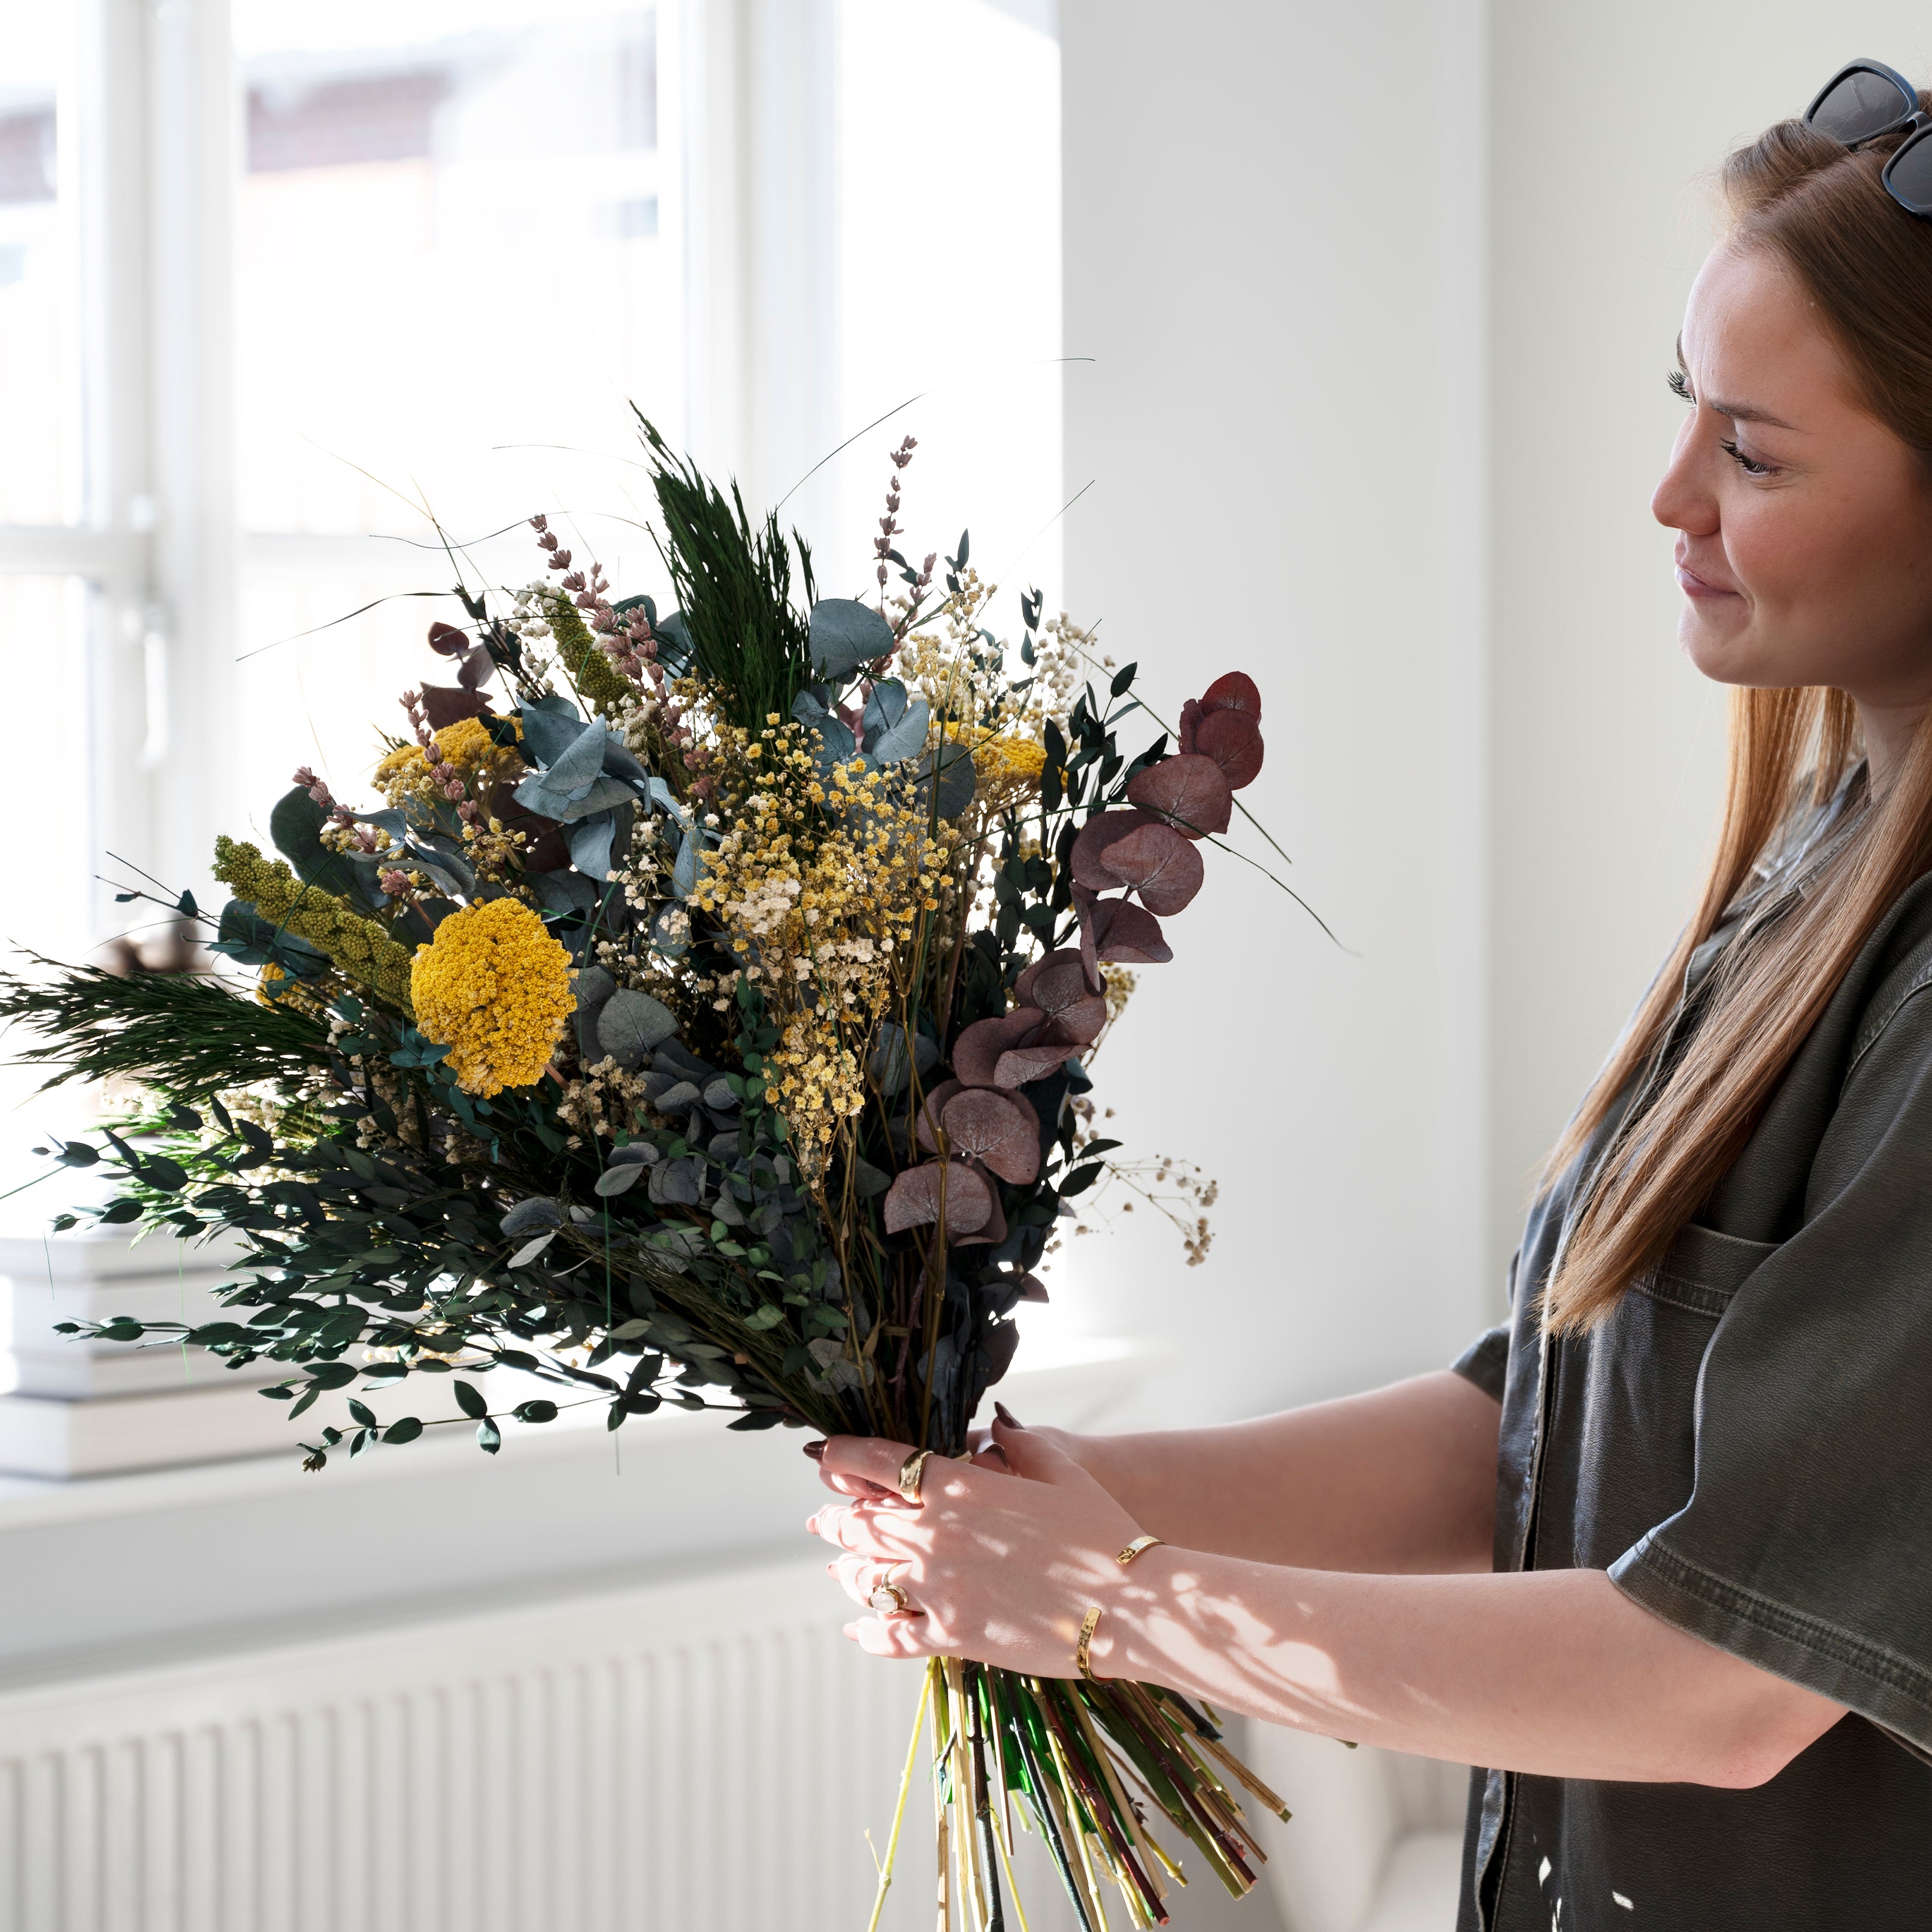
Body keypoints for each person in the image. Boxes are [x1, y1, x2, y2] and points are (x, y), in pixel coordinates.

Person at [807, 61, 1932, 1930]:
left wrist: (1110, 1604)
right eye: (1683, 415)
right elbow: (1537, 1434)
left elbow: (1725, 1677)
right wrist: (1065, 1492)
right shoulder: (1809, 876)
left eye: (1752, 450)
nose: (1667, 497)